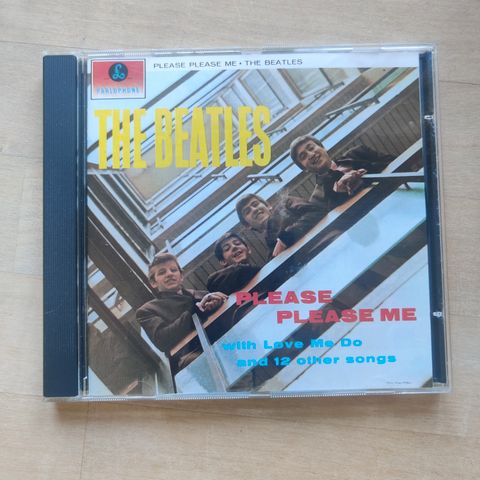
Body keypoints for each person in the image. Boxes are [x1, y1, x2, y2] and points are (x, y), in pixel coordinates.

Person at [136, 253, 227, 367]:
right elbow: (162, 340)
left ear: (181, 276)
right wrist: (196, 310)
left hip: (226, 341)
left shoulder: (201, 294)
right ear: (153, 283)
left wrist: (218, 302)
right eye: (162, 272)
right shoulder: (147, 310)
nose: (169, 274)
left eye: (173, 270)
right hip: (195, 358)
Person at [290, 135, 394, 209]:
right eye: (303, 156)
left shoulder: (358, 152)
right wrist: (339, 194)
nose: (311, 154)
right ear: (305, 169)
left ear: (323, 148)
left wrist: (363, 173)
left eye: (311, 148)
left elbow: (394, 161)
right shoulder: (317, 199)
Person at [235, 193, 327, 257]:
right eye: (247, 211)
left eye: (255, 204)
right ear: (247, 225)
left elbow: (317, 211)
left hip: (328, 243)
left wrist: (286, 238)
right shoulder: (272, 251)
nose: (254, 209)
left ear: (268, 206)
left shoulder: (286, 204)